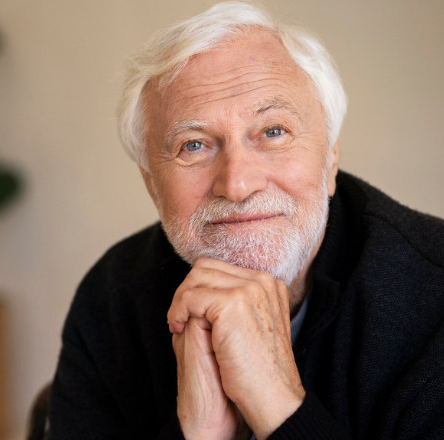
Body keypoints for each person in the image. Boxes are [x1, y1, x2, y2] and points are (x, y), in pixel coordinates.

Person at [48, 2, 444, 439]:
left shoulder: (433, 296)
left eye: (273, 132)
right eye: (193, 145)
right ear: (151, 184)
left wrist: (279, 404)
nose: (237, 184)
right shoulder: (112, 297)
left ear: (330, 156)